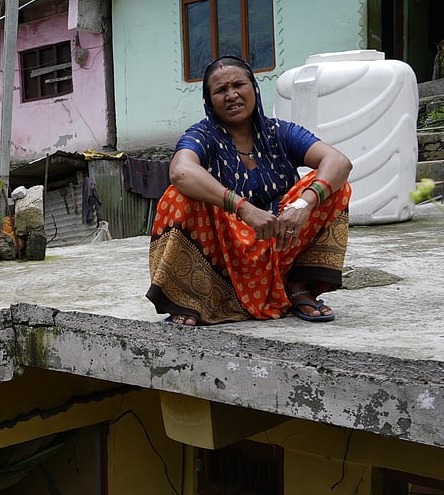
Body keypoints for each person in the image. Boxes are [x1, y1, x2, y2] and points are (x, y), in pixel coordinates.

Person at [147, 55, 353, 326]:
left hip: (282, 241)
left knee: (332, 186)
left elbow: (338, 161)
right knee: (178, 196)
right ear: (209, 101)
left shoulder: (279, 132)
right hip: (227, 256)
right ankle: (191, 299)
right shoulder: (202, 135)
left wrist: (304, 204)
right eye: (220, 90)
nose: (231, 95)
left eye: (238, 85)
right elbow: (181, 171)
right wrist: (243, 208)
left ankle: (298, 287)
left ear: (254, 88)